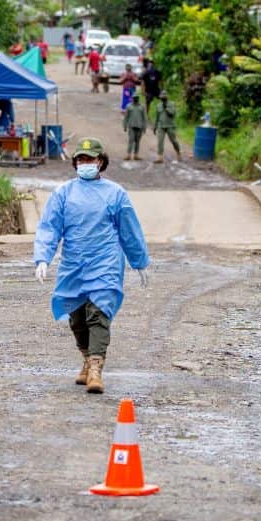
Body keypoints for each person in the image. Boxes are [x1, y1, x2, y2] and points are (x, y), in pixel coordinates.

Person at [33, 137, 150, 394]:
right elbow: (50, 228)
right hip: (74, 265)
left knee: (98, 313)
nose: (85, 163)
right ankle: (86, 359)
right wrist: (43, 258)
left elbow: (129, 230)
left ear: (100, 162)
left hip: (105, 262)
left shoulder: (116, 194)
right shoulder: (63, 193)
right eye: (81, 159)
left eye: (90, 159)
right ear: (75, 163)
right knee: (77, 318)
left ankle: (96, 369)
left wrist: (139, 261)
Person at [153, 91, 182, 163]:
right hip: (161, 126)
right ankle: (160, 157)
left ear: (167, 97)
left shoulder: (172, 104)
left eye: (164, 97)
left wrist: (166, 108)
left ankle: (178, 152)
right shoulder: (158, 105)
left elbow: (173, 114)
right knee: (160, 141)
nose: (163, 98)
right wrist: (155, 126)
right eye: (161, 97)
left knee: (173, 141)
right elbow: (157, 117)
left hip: (170, 125)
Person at [123, 96, 147, 161]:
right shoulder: (129, 106)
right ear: (132, 99)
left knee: (137, 141)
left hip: (139, 127)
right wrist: (125, 126)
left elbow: (144, 118)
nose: (135, 99)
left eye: (136, 98)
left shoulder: (142, 107)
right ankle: (128, 155)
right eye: (134, 98)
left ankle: (136, 155)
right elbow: (126, 117)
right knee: (131, 140)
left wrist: (144, 127)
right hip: (131, 126)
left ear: (138, 99)